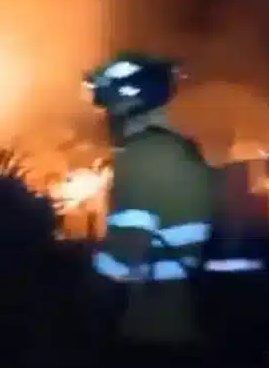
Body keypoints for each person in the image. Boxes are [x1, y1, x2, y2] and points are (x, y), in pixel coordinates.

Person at [84, 52, 218, 365]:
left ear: (126, 106)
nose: (105, 119)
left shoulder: (143, 154)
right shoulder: (177, 148)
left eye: (109, 107)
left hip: (152, 326)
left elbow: (123, 257)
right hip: (185, 319)